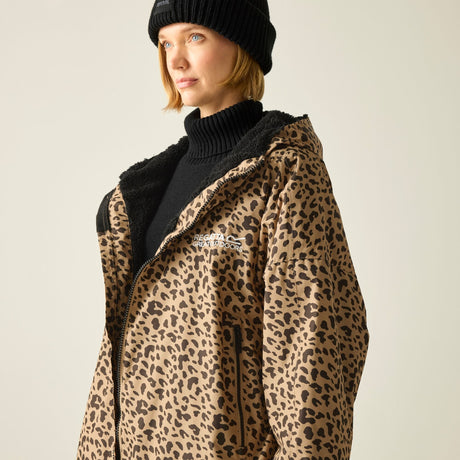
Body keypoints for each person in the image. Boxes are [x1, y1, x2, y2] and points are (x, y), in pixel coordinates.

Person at [76, 1, 370, 459]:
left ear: (242, 44)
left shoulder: (282, 175)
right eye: (165, 43)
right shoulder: (141, 193)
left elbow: (312, 354)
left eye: (195, 37)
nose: (175, 60)